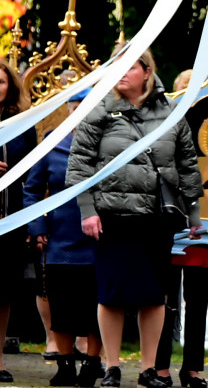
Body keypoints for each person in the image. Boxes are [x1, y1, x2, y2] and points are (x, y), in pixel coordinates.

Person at [67, 48, 204, 388]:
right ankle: (111, 366)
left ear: (147, 71)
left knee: (153, 295)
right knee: (111, 293)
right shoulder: (97, 111)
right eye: (117, 67)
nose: (122, 73)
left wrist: (195, 214)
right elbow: (79, 166)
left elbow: (188, 164)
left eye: (130, 67)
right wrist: (87, 211)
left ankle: (147, 369)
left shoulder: (172, 112)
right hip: (111, 217)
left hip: (157, 217)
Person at [25, 87, 105, 387]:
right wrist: (37, 228)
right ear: (69, 110)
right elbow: (31, 190)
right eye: (77, 107)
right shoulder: (51, 144)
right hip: (59, 237)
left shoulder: (108, 143)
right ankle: (65, 363)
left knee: (96, 303)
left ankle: (93, 363)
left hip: (99, 238)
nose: (82, 112)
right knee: (60, 305)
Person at [155, 69, 208, 388]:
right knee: (164, 302)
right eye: (186, 90)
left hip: (207, 227)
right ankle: (160, 367)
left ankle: (192, 368)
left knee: (198, 306)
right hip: (171, 222)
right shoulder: (165, 126)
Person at [0, 60, 36, 384]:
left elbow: (33, 168)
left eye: (0, 82)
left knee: (2, 293)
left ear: (10, 85)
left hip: (10, 218)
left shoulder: (22, 123)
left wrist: (9, 171)